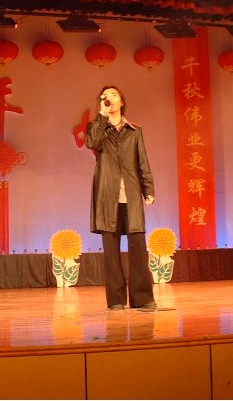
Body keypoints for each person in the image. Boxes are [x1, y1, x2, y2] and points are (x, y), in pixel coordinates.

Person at [86, 85, 157, 311]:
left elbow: (142, 162)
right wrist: (102, 116)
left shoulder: (135, 131)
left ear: (122, 102)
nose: (110, 98)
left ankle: (143, 298)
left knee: (138, 250)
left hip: (131, 195)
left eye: (114, 95)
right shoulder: (97, 127)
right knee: (111, 253)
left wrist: (148, 189)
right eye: (105, 96)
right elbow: (92, 143)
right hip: (108, 196)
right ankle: (116, 300)